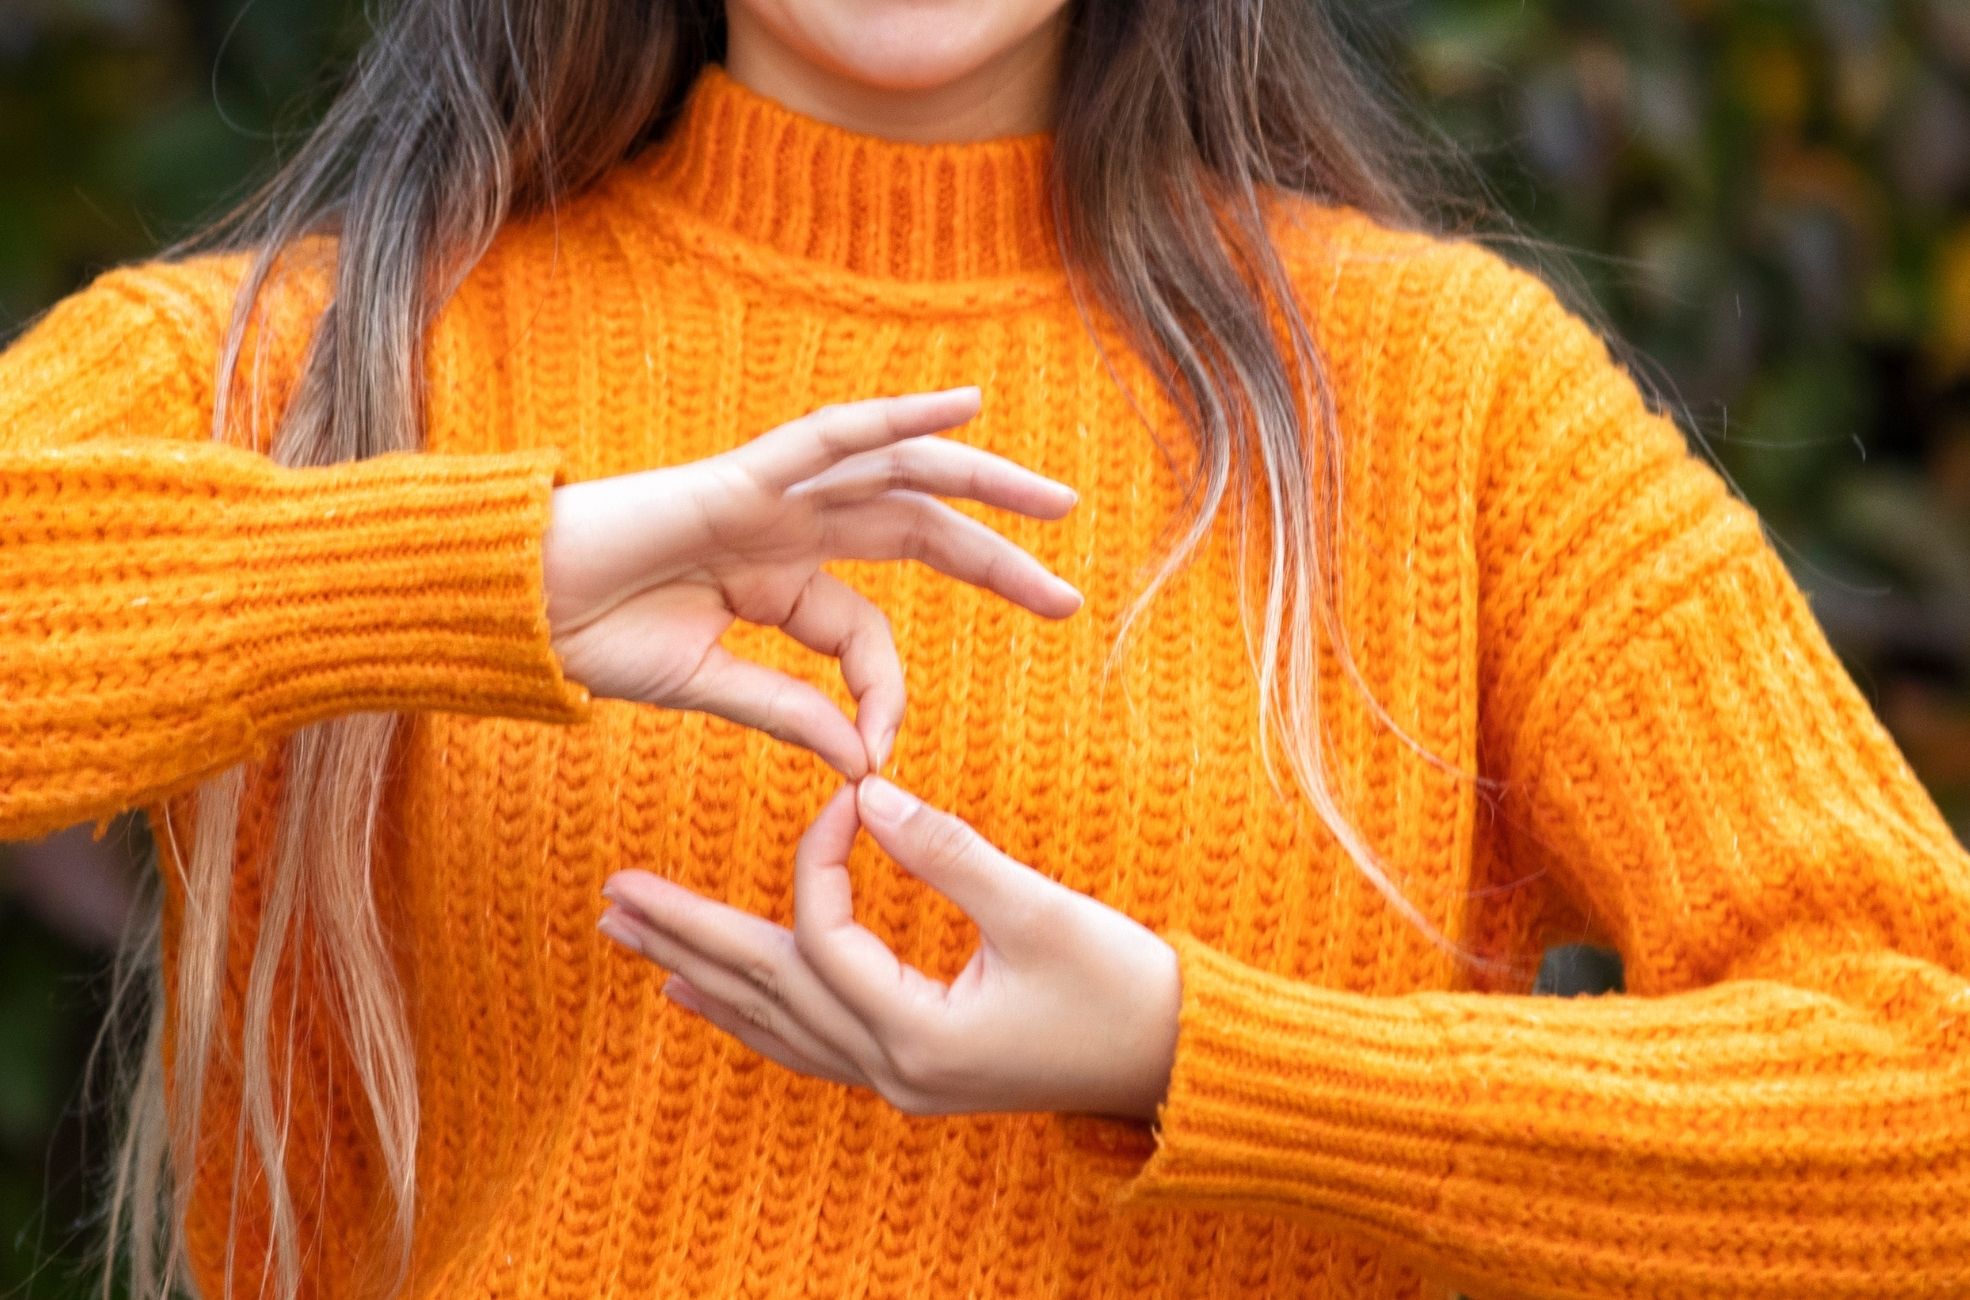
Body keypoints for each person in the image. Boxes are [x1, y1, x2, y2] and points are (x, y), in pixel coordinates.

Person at [2, 2, 1965, 1297]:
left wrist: (1202, 1054)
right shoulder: (327, 356)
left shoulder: (1440, 398)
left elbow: (1926, 1092)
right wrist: (495, 556)